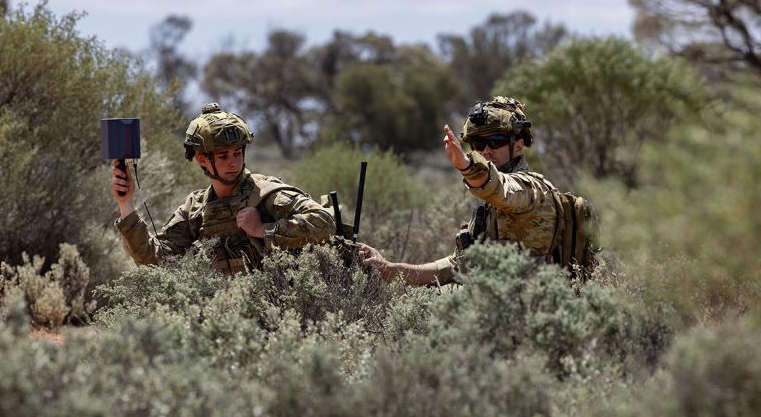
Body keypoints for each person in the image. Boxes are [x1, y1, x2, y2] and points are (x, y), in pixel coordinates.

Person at [359, 96, 568, 285]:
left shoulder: (531, 189)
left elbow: (501, 187)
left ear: (519, 145)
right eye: (479, 143)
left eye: (496, 141)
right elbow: (453, 268)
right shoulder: (491, 205)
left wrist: (468, 167)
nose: (486, 151)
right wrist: (388, 268)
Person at [112, 102, 335, 274]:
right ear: (201, 160)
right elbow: (156, 261)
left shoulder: (265, 193)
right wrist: (126, 204)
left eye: (238, 153)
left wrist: (262, 230)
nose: (233, 162)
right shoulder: (196, 208)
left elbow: (324, 222)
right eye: (223, 156)